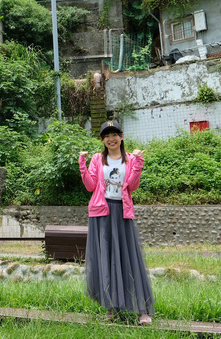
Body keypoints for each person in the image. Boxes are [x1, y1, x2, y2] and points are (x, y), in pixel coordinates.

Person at [78, 120, 154, 324]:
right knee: (106, 261)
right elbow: (91, 186)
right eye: (106, 135)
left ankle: (142, 310)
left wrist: (138, 164)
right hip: (100, 213)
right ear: (102, 140)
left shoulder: (129, 159)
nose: (111, 138)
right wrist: (82, 166)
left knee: (130, 258)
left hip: (122, 211)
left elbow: (132, 186)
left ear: (121, 137)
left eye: (115, 134)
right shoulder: (96, 159)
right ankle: (112, 308)